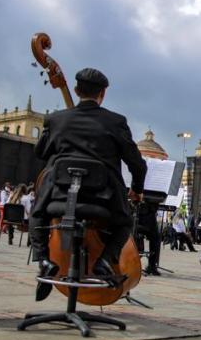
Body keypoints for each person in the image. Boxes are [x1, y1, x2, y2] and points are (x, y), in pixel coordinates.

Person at [29, 67, 147, 301]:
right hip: (102, 201)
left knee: (38, 214)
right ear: (102, 93)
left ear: (75, 90)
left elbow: (41, 153)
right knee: (124, 222)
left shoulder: (56, 119)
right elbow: (137, 164)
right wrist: (137, 189)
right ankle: (105, 260)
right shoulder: (116, 122)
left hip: (60, 198)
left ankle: (43, 259)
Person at [136, 198, 162, 275]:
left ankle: (152, 266)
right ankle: (151, 266)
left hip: (146, 217)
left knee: (156, 238)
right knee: (155, 238)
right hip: (140, 215)